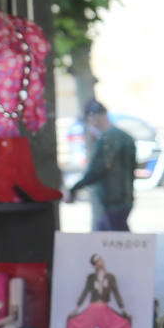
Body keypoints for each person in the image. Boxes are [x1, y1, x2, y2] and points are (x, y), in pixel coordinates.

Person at [65, 99, 136, 231]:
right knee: (104, 236)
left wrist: (74, 188)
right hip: (124, 198)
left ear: (95, 118)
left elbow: (97, 170)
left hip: (114, 201)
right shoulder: (125, 137)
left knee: (117, 242)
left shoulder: (107, 139)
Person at [62, 252, 132, 328]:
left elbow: (116, 293)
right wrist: (77, 308)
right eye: (98, 260)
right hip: (92, 309)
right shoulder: (91, 277)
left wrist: (123, 310)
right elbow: (85, 292)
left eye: (101, 259)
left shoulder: (110, 277)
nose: (101, 261)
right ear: (95, 265)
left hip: (104, 308)